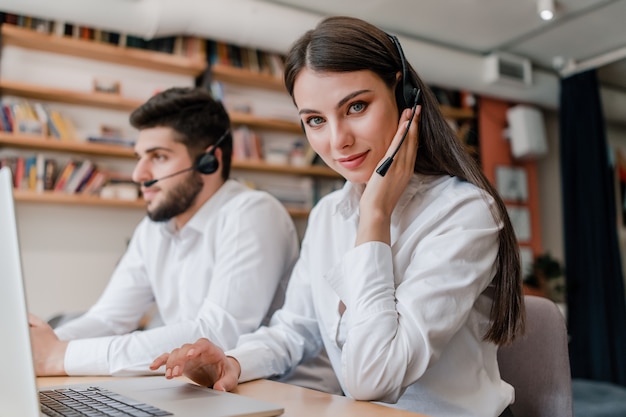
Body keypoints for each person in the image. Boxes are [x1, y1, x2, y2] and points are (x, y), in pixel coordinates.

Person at [150, 17, 525, 417]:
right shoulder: (328, 213)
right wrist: (235, 363)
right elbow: (296, 328)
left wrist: (374, 218)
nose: (337, 140)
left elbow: (373, 379)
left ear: (405, 97)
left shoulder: (464, 213)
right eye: (315, 120)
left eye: (356, 107)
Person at [27, 86, 300, 377]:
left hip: (270, 390)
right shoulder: (154, 228)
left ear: (210, 162)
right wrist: (42, 346)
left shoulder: (252, 212)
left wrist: (62, 356)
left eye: (158, 157)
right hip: (195, 389)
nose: (138, 175)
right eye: (139, 157)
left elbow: (217, 334)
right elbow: (109, 318)